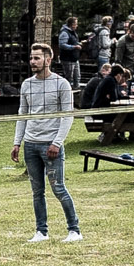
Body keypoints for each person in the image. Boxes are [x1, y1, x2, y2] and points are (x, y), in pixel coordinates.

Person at [15, 42, 82, 243]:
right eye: (31, 58)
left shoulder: (61, 84)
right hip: (31, 144)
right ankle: (41, 231)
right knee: (37, 191)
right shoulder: (27, 84)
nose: (32, 61)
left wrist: (57, 142)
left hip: (50, 144)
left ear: (48, 59)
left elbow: (67, 116)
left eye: (37, 58)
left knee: (58, 188)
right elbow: (22, 114)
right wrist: (17, 142)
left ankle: (74, 230)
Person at [56, 15, 83, 87]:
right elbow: (62, 45)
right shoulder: (65, 33)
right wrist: (74, 47)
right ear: (72, 24)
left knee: (77, 76)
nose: (77, 25)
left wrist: (78, 44)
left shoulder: (73, 32)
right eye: (76, 24)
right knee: (69, 77)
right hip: (68, 58)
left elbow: (72, 42)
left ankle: (76, 90)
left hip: (74, 58)